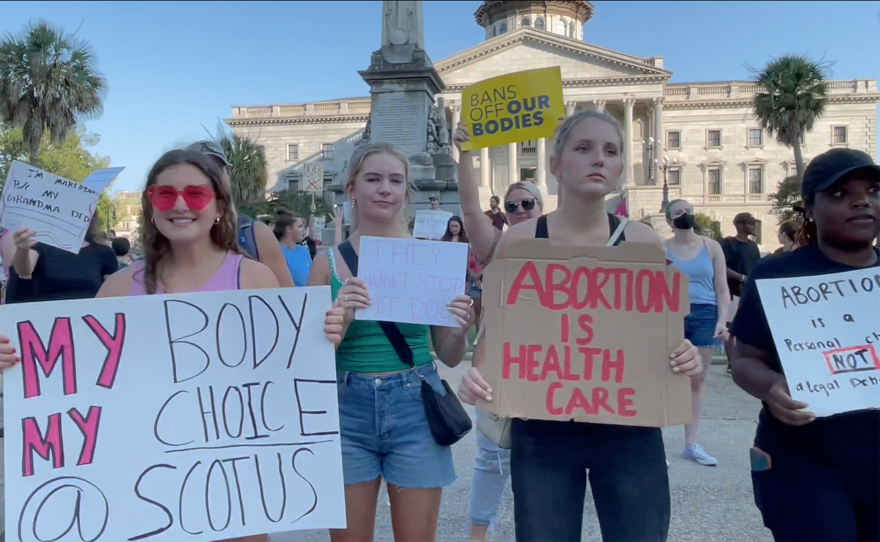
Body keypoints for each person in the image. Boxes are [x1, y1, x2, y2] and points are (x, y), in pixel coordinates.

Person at [0, 149, 347, 542]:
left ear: (218, 205)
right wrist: (17, 361)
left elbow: (288, 376)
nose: (180, 205)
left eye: (195, 194)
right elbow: (77, 384)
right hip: (141, 492)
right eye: (165, 195)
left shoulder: (254, 280)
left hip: (234, 494)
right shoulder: (115, 289)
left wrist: (324, 337)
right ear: (151, 205)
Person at [458, 110, 702, 542]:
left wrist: (685, 356)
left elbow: (663, 333)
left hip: (630, 424)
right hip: (544, 424)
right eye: (584, 148)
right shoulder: (521, 239)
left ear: (620, 168)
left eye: (610, 151)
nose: (599, 160)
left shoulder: (642, 240)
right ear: (556, 165)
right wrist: (479, 374)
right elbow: (497, 330)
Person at [310, 142, 474, 542]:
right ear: (352, 189)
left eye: (395, 181)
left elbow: (451, 357)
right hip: (345, 406)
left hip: (415, 402)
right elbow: (308, 362)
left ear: (405, 192)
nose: (385, 188)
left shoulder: (431, 259)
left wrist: (459, 328)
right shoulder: (326, 262)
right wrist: (341, 319)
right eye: (373, 179)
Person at [730, 148, 880, 541]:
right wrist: (771, 388)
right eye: (839, 193)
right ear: (809, 209)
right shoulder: (776, 275)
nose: (862, 200)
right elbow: (744, 359)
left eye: (873, 190)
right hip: (805, 467)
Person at [454, 122, 544, 542]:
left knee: (545, 464)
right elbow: (470, 210)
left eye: (529, 203)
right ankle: (478, 534)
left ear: (542, 207)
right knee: (490, 459)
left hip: (551, 367)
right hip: (499, 367)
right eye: (512, 206)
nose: (521, 210)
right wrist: (467, 154)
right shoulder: (496, 246)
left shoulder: (563, 246)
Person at [663, 199, 730, 466]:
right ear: (669, 220)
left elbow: (722, 287)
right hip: (671, 312)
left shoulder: (711, 246)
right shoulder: (662, 247)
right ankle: (658, 444)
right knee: (665, 377)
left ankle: (691, 443)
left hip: (704, 312)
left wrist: (722, 320)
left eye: (688, 211)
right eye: (679, 212)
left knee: (697, 380)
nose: (685, 215)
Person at [186, 140, 293, 288]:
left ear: (228, 176)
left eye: (216, 168)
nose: (209, 176)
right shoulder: (173, 237)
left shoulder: (255, 235)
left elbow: (289, 300)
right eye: (199, 169)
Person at [10, 211, 118, 302]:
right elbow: (23, 272)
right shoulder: (41, 246)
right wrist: (22, 249)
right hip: (46, 320)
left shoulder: (104, 253)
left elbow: (112, 296)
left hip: (90, 321)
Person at [720, 212, 762, 374]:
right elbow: (721, 266)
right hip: (731, 293)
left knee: (748, 328)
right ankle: (732, 364)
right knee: (730, 329)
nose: (754, 227)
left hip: (749, 293)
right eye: (751, 223)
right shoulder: (728, 244)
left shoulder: (753, 246)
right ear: (740, 225)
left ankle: (745, 362)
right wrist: (742, 278)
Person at [273, 209, 313, 287]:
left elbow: (312, 277)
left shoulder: (304, 251)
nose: (303, 230)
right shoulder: (276, 252)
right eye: (300, 226)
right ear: (289, 229)